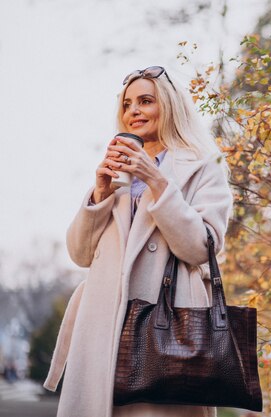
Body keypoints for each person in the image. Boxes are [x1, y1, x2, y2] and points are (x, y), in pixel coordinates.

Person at [43, 66, 234, 417]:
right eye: (127, 103)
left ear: (170, 107)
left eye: (146, 101)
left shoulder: (202, 168)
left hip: (167, 334)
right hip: (102, 328)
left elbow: (201, 247)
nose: (134, 111)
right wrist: (99, 194)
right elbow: (80, 254)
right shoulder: (117, 173)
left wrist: (158, 181)